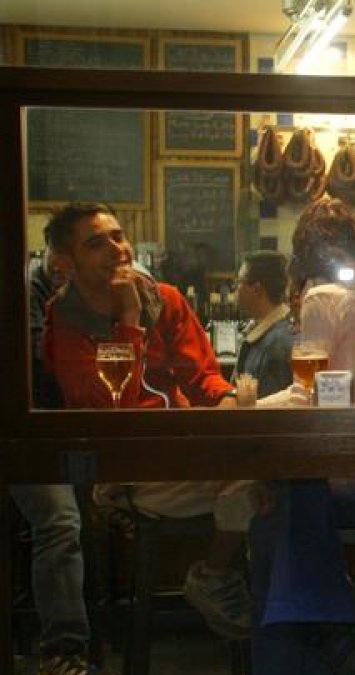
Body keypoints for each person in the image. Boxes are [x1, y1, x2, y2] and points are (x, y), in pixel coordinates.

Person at [40, 202, 254, 643]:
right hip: (128, 471)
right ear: (65, 262)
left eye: (118, 237)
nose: (116, 249)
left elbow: (202, 377)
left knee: (276, 460)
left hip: (187, 452)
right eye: (96, 243)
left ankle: (273, 611)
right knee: (260, 477)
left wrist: (228, 400)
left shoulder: (167, 298)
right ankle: (220, 579)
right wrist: (130, 320)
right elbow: (109, 410)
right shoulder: (64, 323)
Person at [251, 197, 355, 675]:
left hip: (343, 463)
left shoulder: (320, 298)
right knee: (289, 499)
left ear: (302, 250)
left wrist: (241, 411)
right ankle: (334, 635)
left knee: (279, 505)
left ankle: (314, 639)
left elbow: (306, 394)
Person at [13, 232, 104, 675]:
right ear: (46, 252)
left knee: (106, 504)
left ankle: (107, 621)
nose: (64, 263)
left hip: (70, 432)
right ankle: (64, 649)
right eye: (59, 254)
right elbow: (42, 361)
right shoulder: (30, 290)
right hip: (25, 436)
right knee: (61, 520)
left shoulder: (91, 294)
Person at [232, 250, 294, 398]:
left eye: (239, 282)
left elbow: (268, 415)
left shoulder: (278, 343)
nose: (235, 288)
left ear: (257, 290)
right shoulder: (264, 333)